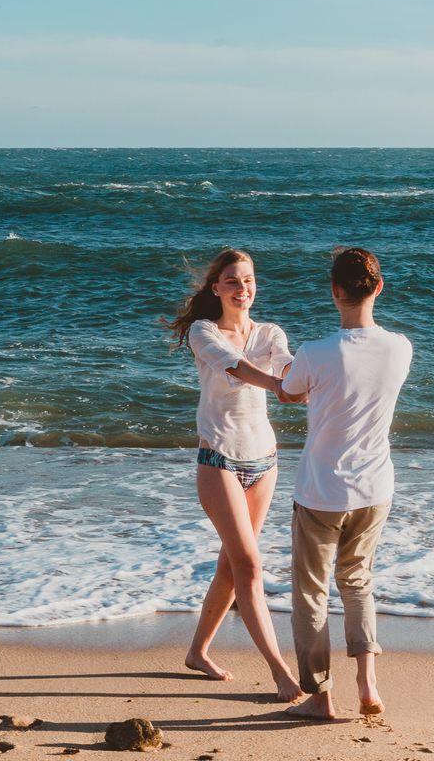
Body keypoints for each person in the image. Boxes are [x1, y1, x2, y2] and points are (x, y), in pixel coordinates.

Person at [274, 247, 412, 720]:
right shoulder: (401, 347)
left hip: (320, 490)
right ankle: (367, 681)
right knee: (357, 583)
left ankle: (320, 698)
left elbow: (289, 393)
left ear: (334, 292)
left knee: (311, 593)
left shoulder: (314, 353)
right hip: (376, 489)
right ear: (378, 287)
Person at [164, 248, 304, 703]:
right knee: (249, 566)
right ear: (215, 288)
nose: (242, 288)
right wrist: (279, 386)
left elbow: (284, 361)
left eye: (247, 280)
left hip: (264, 461)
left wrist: (299, 378)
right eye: (231, 281)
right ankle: (282, 672)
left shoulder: (269, 331)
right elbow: (234, 366)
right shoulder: (204, 333)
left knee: (231, 565)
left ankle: (197, 652)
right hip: (219, 460)